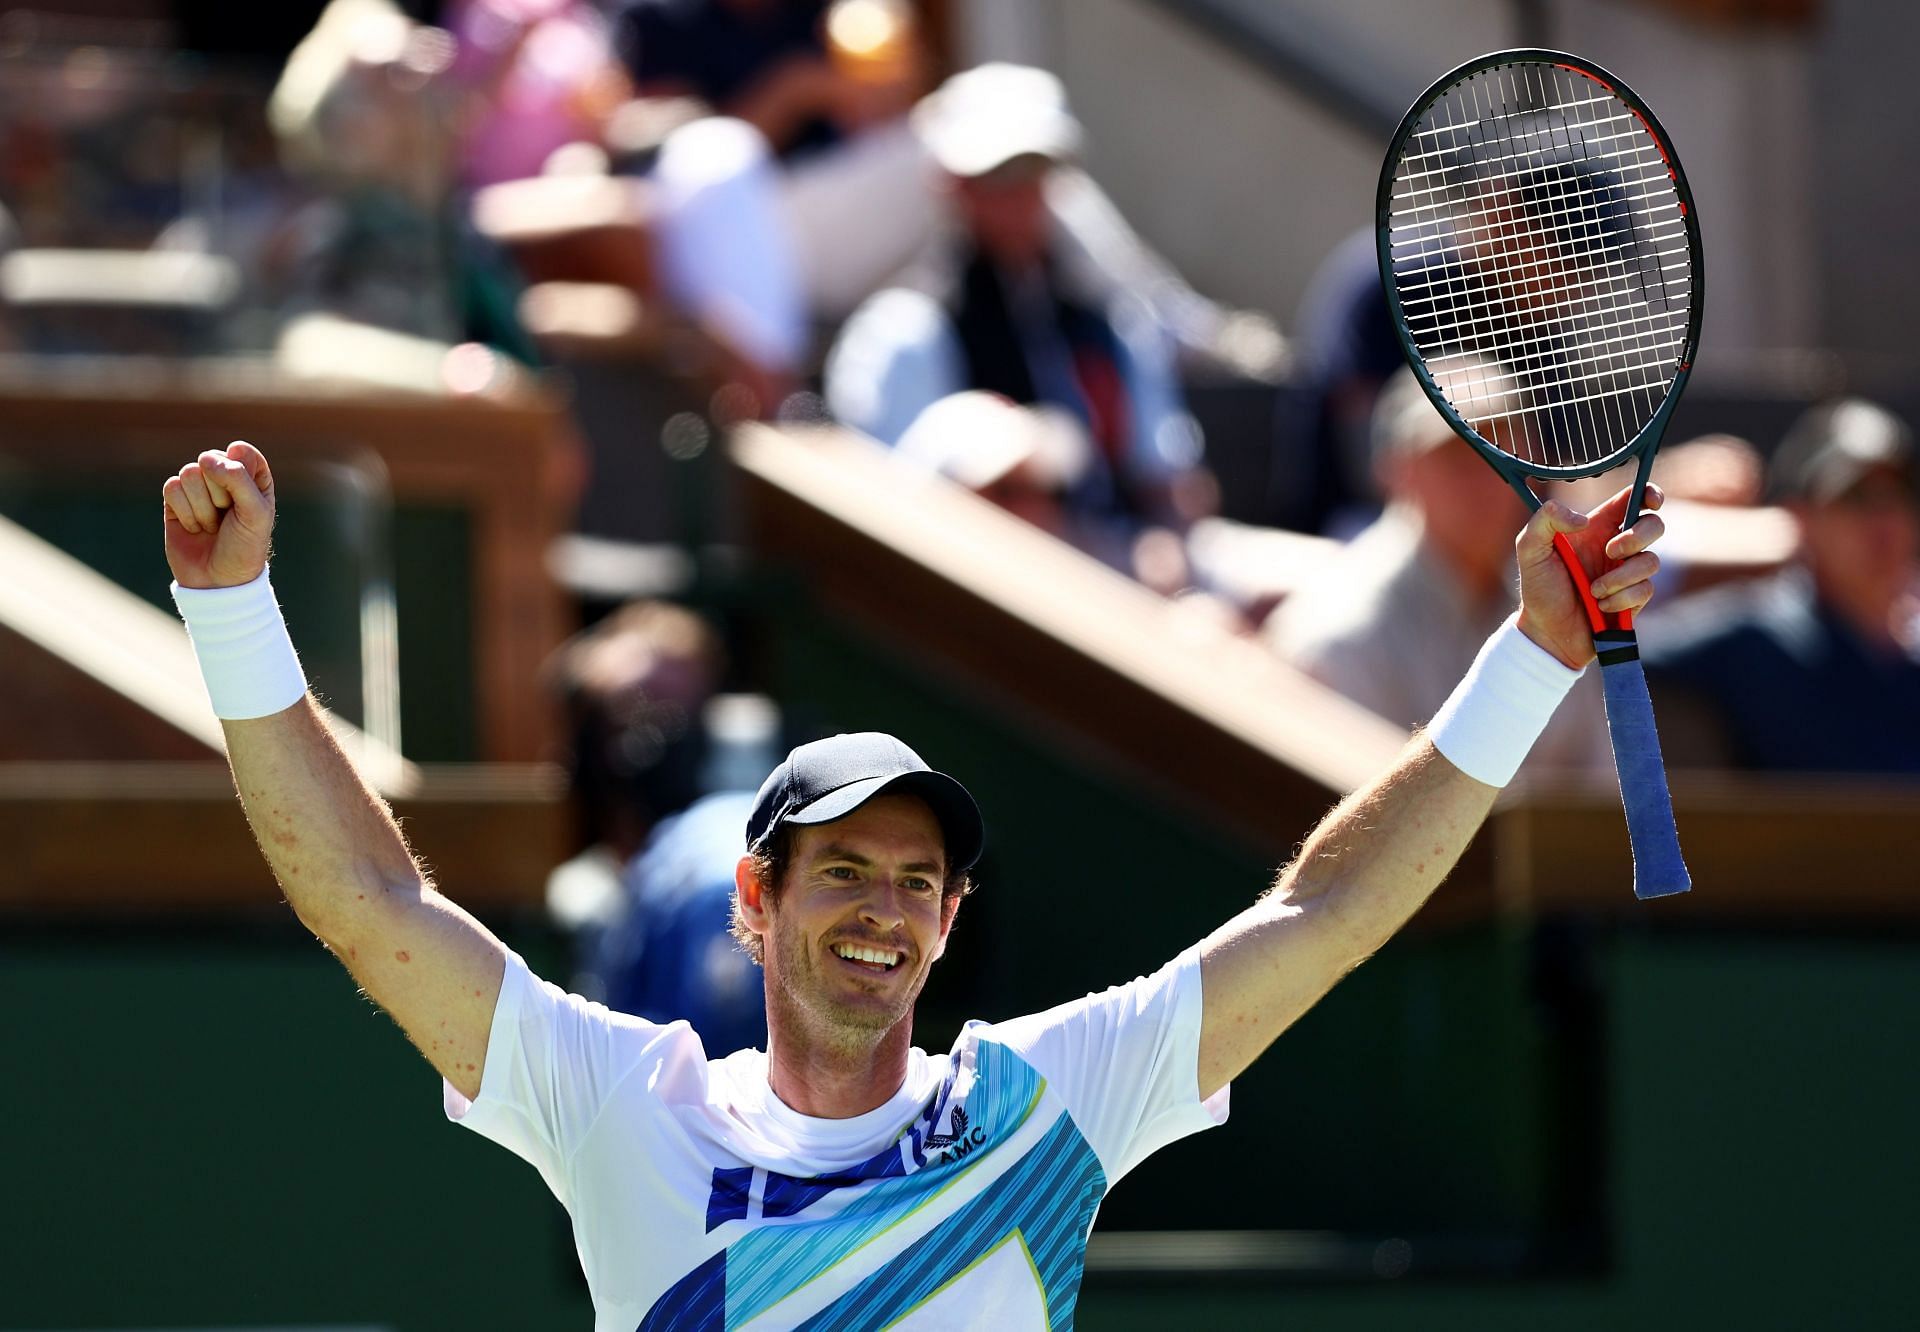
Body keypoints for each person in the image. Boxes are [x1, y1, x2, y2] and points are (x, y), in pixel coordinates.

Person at [161, 437, 1665, 1326]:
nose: (882, 906)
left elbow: (1327, 916)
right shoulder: (627, 1104)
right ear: (753, 903)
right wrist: (230, 615)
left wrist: (1534, 654)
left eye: (916, 881)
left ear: (950, 926)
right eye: (840, 872)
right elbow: (369, 904)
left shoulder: (1043, 1104)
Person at [825, 63, 1214, 593]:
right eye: (997, 176)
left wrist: (1164, 551)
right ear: (951, 186)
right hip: (991, 591)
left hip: (1126, 573)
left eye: (1034, 172)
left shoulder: (1113, 322)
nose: (1018, 196)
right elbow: (902, 522)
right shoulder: (904, 332)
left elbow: (1170, 485)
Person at [1265, 363, 1613, 777]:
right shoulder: (1337, 637)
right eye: (1459, 456)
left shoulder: (1558, 607)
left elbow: (1600, 804)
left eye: (1501, 454)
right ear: (1397, 471)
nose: (1486, 479)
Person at [1641, 398, 1920, 773]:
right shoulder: (1757, 639)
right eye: (1856, 499)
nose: (1883, 523)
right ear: (1800, 518)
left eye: (1898, 496)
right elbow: (1609, 657)